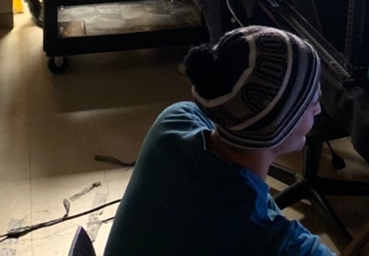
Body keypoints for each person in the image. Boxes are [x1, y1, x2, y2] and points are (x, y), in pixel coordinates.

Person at [103, 26, 335, 256]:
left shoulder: (175, 119)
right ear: (278, 126)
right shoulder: (272, 243)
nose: (318, 107)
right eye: (311, 98)